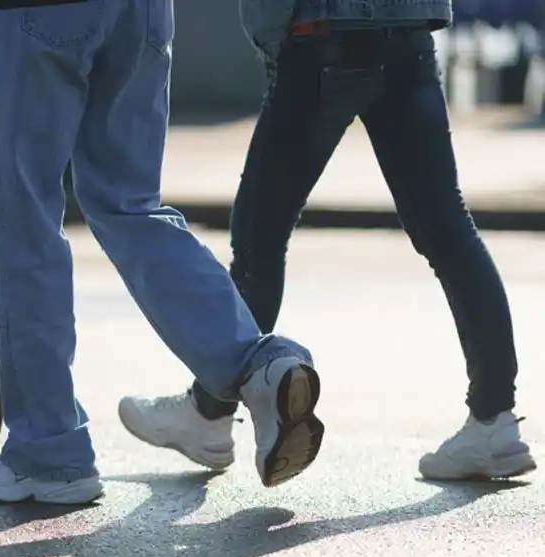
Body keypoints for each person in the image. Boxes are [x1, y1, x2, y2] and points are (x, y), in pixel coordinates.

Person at [119, 0, 537, 480]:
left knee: (259, 238)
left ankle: (208, 415)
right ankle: (494, 419)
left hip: (320, 32)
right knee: (449, 230)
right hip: (408, 33)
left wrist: (275, 36)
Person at [0, 0, 326, 505]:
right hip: (145, 12)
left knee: (28, 222)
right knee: (130, 206)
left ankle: (49, 451)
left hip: (43, 11)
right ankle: (258, 364)